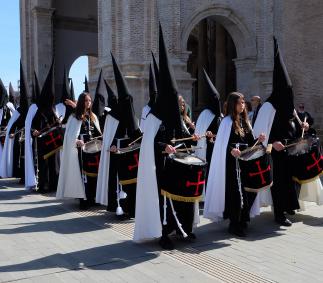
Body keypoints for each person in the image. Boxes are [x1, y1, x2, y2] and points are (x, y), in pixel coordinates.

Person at [134, 25, 200, 250]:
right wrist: (164, 147)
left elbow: (185, 138)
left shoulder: (178, 117)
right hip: (160, 170)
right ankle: (163, 233)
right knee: (164, 201)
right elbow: (150, 143)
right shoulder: (154, 118)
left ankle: (183, 228)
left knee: (183, 199)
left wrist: (195, 138)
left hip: (179, 166)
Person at [253, 38, 309, 226]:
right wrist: (271, 144)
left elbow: (296, 121)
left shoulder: (287, 106)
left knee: (291, 180)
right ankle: (279, 214)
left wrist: (303, 126)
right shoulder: (268, 106)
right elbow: (258, 135)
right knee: (278, 184)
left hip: (290, 150)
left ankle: (289, 206)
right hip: (274, 154)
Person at [204, 92, 266, 237]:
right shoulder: (226, 122)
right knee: (236, 195)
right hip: (232, 165)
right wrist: (232, 150)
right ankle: (234, 223)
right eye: (240, 102)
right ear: (233, 104)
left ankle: (243, 219)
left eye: (244, 102)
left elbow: (251, 143)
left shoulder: (245, 122)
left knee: (250, 191)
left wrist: (259, 139)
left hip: (246, 162)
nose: (243, 105)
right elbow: (221, 144)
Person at [96, 53, 142, 219]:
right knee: (119, 182)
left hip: (130, 153)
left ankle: (131, 208)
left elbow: (136, 133)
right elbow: (109, 137)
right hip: (117, 153)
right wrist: (113, 145)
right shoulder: (113, 116)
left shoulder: (129, 112)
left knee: (132, 183)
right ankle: (118, 207)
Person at [56, 92, 101, 209]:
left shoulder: (93, 116)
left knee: (93, 175)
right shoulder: (74, 116)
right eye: (86, 101)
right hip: (81, 150)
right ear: (82, 102)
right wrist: (76, 140)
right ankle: (83, 200)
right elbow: (70, 135)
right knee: (83, 175)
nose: (88, 103)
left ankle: (92, 198)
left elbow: (97, 132)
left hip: (93, 149)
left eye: (90, 101)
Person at [194, 69, 222, 179]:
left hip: (217, 150)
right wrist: (206, 135)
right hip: (207, 151)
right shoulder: (205, 114)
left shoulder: (220, 115)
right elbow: (199, 134)